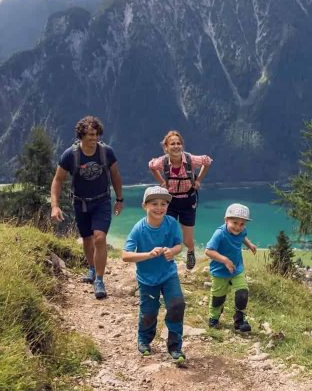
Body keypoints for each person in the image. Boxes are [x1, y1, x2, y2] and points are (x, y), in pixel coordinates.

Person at [51, 116, 124, 299]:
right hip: (80, 203)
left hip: (101, 201)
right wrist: (55, 206)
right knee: (87, 239)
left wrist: (120, 199)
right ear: (81, 135)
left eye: (96, 134)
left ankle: (99, 279)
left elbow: (115, 175)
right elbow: (58, 180)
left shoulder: (106, 152)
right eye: (90, 134)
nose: (94, 138)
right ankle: (91, 268)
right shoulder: (70, 155)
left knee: (99, 238)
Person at [122, 186, 187, 365]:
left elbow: (178, 245)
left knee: (177, 305)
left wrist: (171, 252)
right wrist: (148, 254)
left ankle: (175, 347)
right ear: (145, 206)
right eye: (154, 204)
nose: (160, 208)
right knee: (149, 312)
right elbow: (125, 255)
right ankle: (144, 341)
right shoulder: (139, 229)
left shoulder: (171, 223)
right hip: (147, 279)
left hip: (169, 275)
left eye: (164, 204)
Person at [147, 130, 212, 270]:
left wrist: (199, 180)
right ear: (166, 147)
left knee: (187, 239)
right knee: (167, 232)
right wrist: (161, 182)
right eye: (172, 144)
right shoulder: (163, 162)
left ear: (182, 145)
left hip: (188, 201)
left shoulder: (190, 160)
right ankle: (166, 260)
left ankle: (190, 251)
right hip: (170, 202)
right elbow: (152, 166)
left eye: (179, 143)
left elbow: (207, 161)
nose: (176, 146)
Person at [204, 203, 257, 332]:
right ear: (226, 220)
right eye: (235, 222)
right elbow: (208, 251)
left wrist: (250, 244)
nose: (238, 227)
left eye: (242, 224)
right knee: (218, 298)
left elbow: (242, 236)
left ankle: (239, 321)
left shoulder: (242, 230)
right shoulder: (219, 234)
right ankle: (214, 318)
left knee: (242, 294)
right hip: (220, 271)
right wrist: (225, 260)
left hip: (237, 269)